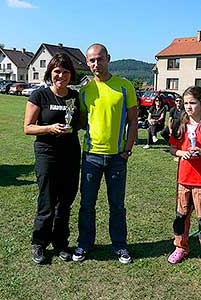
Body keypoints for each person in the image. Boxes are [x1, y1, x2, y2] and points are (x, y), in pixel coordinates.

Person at [72, 43, 138, 264]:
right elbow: (81, 122)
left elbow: (133, 121)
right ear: (87, 63)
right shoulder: (84, 90)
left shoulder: (124, 86)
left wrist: (127, 150)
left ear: (108, 58)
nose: (95, 63)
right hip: (90, 156)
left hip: (117, 158)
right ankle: (84, 244)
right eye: (91, 60)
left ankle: (119, 246)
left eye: (99, 59)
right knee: (87, 204)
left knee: (117, 205)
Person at [24, 54, 81, 264]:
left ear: (70, 74)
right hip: (46, 153)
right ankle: (39, 244)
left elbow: (80, 123)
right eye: (57, 71)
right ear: (50, 73)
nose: (61, 75)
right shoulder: (40, 95)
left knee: (65, 203)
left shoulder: (75, 96)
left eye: (66, 71)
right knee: (47, 201)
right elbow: (27, 128)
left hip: (71, 154)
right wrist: (49, 128)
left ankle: (61, 244)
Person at [168, 86, 201, 264]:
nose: (188, 107)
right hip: (184, 180)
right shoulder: (180, 123)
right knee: (181, 218)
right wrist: (182, 153)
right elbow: (173, 149)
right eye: (186, 102)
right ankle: (180, 247)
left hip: (200, 181)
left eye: (193, 103)